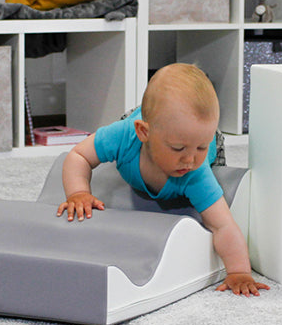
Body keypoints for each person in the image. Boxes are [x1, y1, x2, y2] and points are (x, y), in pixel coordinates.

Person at [57, 63, 269, 297]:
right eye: (178, 148)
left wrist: (239, 271)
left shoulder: (196, 172)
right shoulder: (123, 136)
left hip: (202, 138)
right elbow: (78, 155)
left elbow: (223, 225)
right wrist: (78, 192)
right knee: (149, 115)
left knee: (216, 168)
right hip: (140, 119)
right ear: (143, 133)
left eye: (199, 147)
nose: (189, 159)